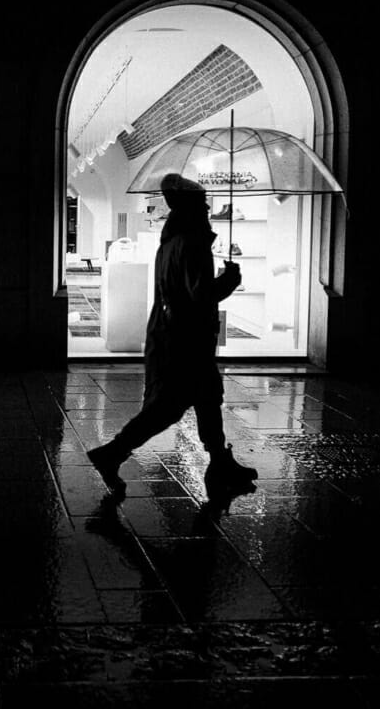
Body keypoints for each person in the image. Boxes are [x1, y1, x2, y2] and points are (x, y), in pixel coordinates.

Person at [87, 173, 258, 493]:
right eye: (203, 206)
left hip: (176, 335)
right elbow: (200, 295)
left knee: (207, 398)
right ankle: (112, 453)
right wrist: (229, 281)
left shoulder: (172, 241)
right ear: (191, 209)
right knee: (167, 408)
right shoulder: (192, 244)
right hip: (185, 340)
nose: (207, 211)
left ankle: (219, 461)